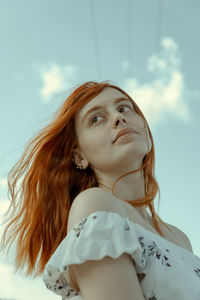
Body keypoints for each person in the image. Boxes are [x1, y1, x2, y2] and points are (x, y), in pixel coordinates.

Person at [0, 81, 200, 300]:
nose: (118, 117)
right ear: (80, 157)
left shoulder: (180, 238)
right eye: (96, 118)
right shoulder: (95, 205)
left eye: (124, 108)